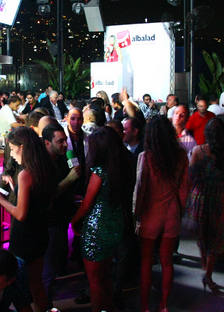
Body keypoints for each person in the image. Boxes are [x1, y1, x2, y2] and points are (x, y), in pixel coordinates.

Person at [0, 126, 56, 311]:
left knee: (20, 289)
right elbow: (40, 202)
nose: (11, 155)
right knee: (36, 284)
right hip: (40, 232)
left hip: (25, 238)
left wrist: (0, 198)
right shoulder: (45, 168)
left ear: (23, 147)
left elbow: (20, 214)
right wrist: (16, 189)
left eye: (12, 149)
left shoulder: (26, 174)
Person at [71, 126, 134, 312]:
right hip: (115, 226)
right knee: (106, 275)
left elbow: (86, 205)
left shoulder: (99, 172)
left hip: (97, 229)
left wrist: (73, 220)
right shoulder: (121, 168)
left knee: (95, 281)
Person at [134, 115, 188, 312]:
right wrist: (180, 211)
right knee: (167, 262)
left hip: (150, 212)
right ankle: (164, 305)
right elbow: (184, 190)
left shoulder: (146, 157)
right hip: (171, 211)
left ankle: (145, 307)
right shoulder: (180, 155)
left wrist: (136, 214)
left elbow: (140, 188)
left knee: (146, 262)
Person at [184, 118, 224, 291]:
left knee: (202, 234)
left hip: (200, 197)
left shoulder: (197, 150)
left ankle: (204, 265)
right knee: (216, 238)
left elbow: (190, 177)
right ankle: (208, 274)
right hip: (220, 199)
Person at [41, 123, 81, 304]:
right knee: (48, 268)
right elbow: (47, 196)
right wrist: (69, 180)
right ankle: (45, 304)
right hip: (48, 222)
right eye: (60, 141)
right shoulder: (42, 165)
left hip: (61, 218)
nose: (65, 144)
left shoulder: (63, 159)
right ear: (47, 143)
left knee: (54, 261)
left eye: (65, 140)